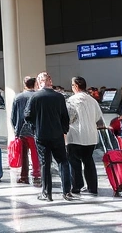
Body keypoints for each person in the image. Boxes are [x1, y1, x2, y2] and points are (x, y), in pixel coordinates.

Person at [24, 72, 72, 202]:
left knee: (45, 163)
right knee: (63, 161)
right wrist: (64, 130)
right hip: (57, 134)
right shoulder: (59, 97)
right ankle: (67, 191)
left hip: (41, 135)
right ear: (50, 81)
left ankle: (47, 193)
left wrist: (35, 127)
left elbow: (27, 116)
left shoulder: (35, 97)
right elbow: (65, 117)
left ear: (39, 82)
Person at [66, 76, 105, 197]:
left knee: (74, 161)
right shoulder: (93, 100)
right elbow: (99, 119)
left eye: (72, 85)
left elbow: (69, 118)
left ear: (76, 86)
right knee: (88, 161)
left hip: (75, 135)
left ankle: (77, 186)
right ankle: (92, 187)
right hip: (91, 136)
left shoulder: (71, 100)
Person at [9, 76, 41, 186]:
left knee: (23, 154)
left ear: (24, 84)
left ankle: (24, 176)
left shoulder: (18, 97)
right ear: (35, 84)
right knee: (35, 153)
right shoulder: (37, 96)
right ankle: (36, 175)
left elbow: (13, 116)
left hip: (21, 130)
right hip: (35, 130)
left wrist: (15, 129)